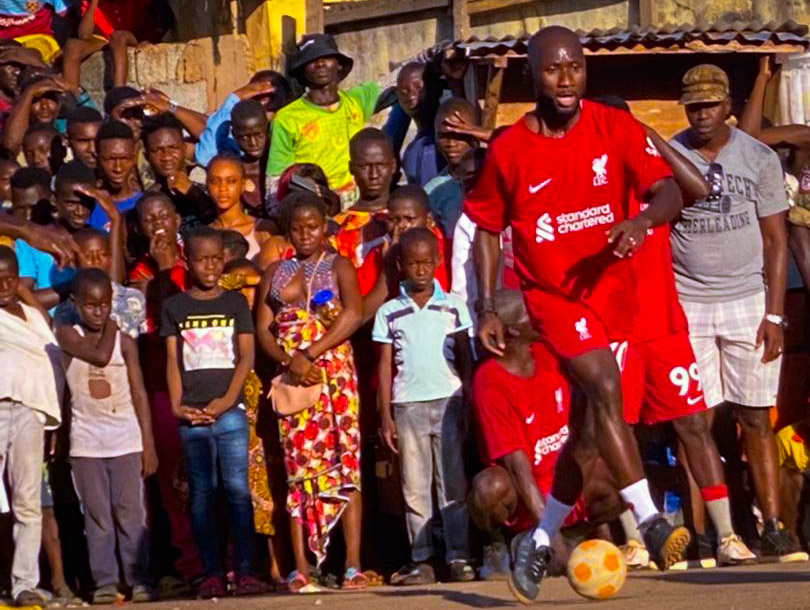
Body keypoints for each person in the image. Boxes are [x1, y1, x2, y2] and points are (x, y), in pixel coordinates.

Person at [466, 26, 690, 603]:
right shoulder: (510, 148)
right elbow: (487, 228)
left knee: (589, 435)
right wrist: (488, 306)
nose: (566, 79)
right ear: (531, 76)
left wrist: (641, 221)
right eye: (553, 69)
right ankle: (650, 519)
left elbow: (670, 191)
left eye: (575, 68)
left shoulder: (613, 126)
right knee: (605, 383)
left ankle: (538, 542)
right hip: (554, 298)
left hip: (616, 298)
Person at [668, 64, 799, 560]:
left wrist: (776, 314)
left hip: (748, 300)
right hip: (689, 301)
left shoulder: (758, 158)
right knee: (692, 420)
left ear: (728, 106)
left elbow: (775, 238)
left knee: (754, 417)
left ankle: (773, 526)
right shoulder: (672, 154)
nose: (702, 115)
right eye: (694, 106)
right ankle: (702, 534)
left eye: (710, 105)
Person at [255, 192, 364, 593]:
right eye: (297, 228)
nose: (305, 234)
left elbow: (353, 313)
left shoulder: (339, 265)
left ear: (325, 227)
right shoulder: (274, 274)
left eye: (312, 226)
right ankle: (300, 566)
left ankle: (351, 563)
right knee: (299, 471)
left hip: (332, 374)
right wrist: (288, 360)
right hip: (293, 378)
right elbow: (263, 328)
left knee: (344, 465)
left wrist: (308, 353)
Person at [160, 226, 267, 598]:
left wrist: (227, 400)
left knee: (237, 491)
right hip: (191, 415)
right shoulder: (174, 306)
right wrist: (177, 405)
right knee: (202, 493)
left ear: (224, 260)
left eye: (215, 259)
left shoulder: (235, 303)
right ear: (185, 261)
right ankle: (210, 573)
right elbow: (173, 361)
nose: (209, 266)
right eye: (201, 259)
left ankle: (247, 570)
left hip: (230, 412)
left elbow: (247, 356)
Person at [373, 227, 474, 584]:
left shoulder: (453, 307)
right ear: (400, 265)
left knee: (452, 485)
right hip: (407, 406)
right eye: (412, 263)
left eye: (426, 263)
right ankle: (423, 559)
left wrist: (470, 405)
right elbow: (385, 365)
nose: (420, 270)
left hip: (449, 402)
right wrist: (386, 416)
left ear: (437, 262)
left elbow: (465, 357)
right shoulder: (389, 312)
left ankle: (459, 556)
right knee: (414, 487)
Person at [56, 268, 157, 604]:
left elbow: (139, 392)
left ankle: (138, 578)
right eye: (90, 305)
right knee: (97, 514)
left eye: (105, 305)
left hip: (125, 438)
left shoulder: (126, 344)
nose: (99, 312)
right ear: (75, 304)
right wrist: (113, 326)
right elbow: (98, 355)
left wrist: (148, 443)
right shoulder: (67, 335)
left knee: (130, 511)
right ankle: (105, 581)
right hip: (87, 443)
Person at [467, 290, 571, 579]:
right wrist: (556, 547)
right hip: (523, 493)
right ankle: (497, 543)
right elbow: (519, 471)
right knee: (489, 488)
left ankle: (574, 536)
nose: (537, 317)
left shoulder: (547, 355)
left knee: (608, 467)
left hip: (562, 484)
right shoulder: (490, 382)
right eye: (529, 314)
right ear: (512, 329)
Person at [129, 192, 201, 587]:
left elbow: (192, 314)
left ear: (177, 219)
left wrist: (172, 268)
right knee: (173, 480)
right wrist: (158, 271)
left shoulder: (197, 259)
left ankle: (223, 562)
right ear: (139, 228)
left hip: (203, 380)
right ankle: (189, 565)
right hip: (161, 383)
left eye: (164, 215)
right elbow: (143, 322)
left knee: (212, 477)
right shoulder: (139, 273)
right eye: (149, 218)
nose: (158, 223)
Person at [0, 244, 63, 607]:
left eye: (11, 278)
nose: (5, 285)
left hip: (30, 411)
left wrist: (53, 420)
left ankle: (25, 583)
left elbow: (47, 358)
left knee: (28, 502)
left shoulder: (33, 315)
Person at [267, 33, 382, 207]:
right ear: (303, 71)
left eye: (326, 57)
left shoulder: (357, 101)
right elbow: (276, 179)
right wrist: (280, 213)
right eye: (312, 60)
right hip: (315, 208)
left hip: (358, 204)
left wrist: (433, 53)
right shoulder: (287, 118)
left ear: (339, 65)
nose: (320, 64)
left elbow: (399, 79)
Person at [362, 185, 449, 314]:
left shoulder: (446, 250)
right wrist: (389, 268)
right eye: (394, 220)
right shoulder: (377, 254)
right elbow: (362, 316)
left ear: (429, 220)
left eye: (410, 219)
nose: (401, 226)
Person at [53, 227, 145, 339]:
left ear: (111, 258)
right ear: (74, 262)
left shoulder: (133, 298)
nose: (96, 260)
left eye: (103, 254)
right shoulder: (66, 309)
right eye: (87, 256)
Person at [195, 70, 290, 168]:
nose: (253, 142)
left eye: (268, 108)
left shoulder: (285, 149)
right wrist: (235, 97)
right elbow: (206, 157)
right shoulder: (239, 145)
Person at [332, 128, 396, 271]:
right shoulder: (337, 228)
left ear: (393, 165)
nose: (374, 175)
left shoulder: (410, 216)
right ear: (351, 168)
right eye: (364, 166)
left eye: (381, 165)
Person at [142, 113, 217, 233]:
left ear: (184, 149)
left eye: (173, 148)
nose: (166, 157)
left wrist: (194, 193)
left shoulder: (208, 192)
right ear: (147, 156)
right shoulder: (144, 202)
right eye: (157, 150)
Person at [424, 97, 480, 238]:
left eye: (458, 135)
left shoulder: (495, 175)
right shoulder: (432, 191)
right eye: (443, 136)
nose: (451, 144)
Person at [207, 154, 274, 263]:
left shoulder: (262, 228)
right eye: (215, 181)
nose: (222, 188)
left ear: (243, 185)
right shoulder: (205, 234)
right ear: (207, 185)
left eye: (231, 181)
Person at [90, 119, 141, 231]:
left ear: (134, 157)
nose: (118, 168)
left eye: (125, 158)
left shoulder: (145, 205)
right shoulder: (87, 207)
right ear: (97, 159)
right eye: (110, 159)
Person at [1, 73, 65, 157]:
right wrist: (30, 92)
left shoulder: (68, 132)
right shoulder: (15, 137)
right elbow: (10, 145)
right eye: (36, 99)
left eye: (50, 98)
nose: (44, 106)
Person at [229, 100, 269, 216]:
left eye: (259, 135)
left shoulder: (280, 164)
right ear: (234, 135)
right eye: (245, 137)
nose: (253, 143)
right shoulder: (236, 172)